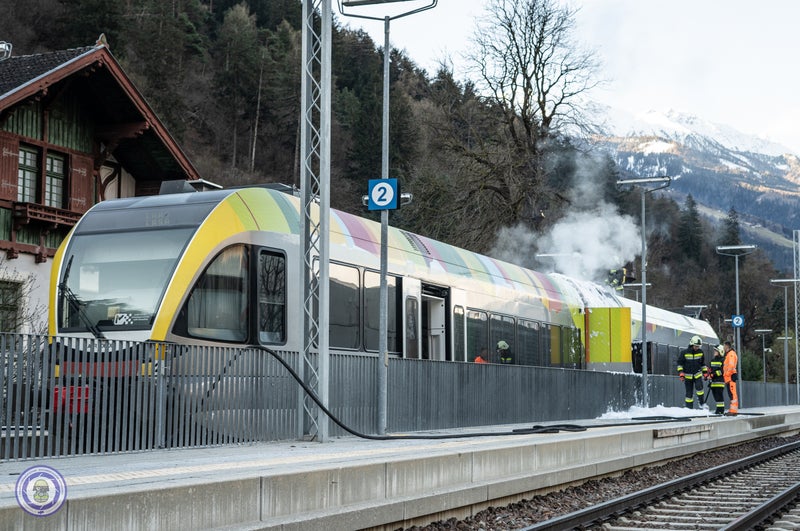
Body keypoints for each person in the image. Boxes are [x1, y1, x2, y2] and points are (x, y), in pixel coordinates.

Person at [676, 335, 708, 408]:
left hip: (698, 375)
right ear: (691, 344)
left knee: (700, 389)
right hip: (688, 377)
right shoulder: (684, 353)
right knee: (689, 394)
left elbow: (703, 364)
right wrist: (681, 373)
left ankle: (702, 404)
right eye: (696, 346)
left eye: (698, 346)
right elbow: (679, 364)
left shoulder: (701, 352)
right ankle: (689, 409)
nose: (697, 348)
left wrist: (705, 373)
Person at [706, 344, 726, 414]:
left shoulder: (723, 360)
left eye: (716, 351)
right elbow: (710, 369)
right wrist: (708, 375)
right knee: (716, 397)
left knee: (719, 396)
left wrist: (713, 374)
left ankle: (720, 410)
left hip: (720, 382)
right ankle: (718, 410)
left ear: (720, 351)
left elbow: (722, 371)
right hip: (713, 382)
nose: (714, 352)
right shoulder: (712, 360)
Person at [722, 340, 739, 414]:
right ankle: (732, 410)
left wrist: (727, 374)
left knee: (732, 394)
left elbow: (731, 365)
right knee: (731, 394)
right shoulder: (729, 354)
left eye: (724, 346)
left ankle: (733, 410)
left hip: (730, 377)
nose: (723, 347)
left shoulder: (731, 354)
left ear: (727, 346)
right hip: (729, 377)